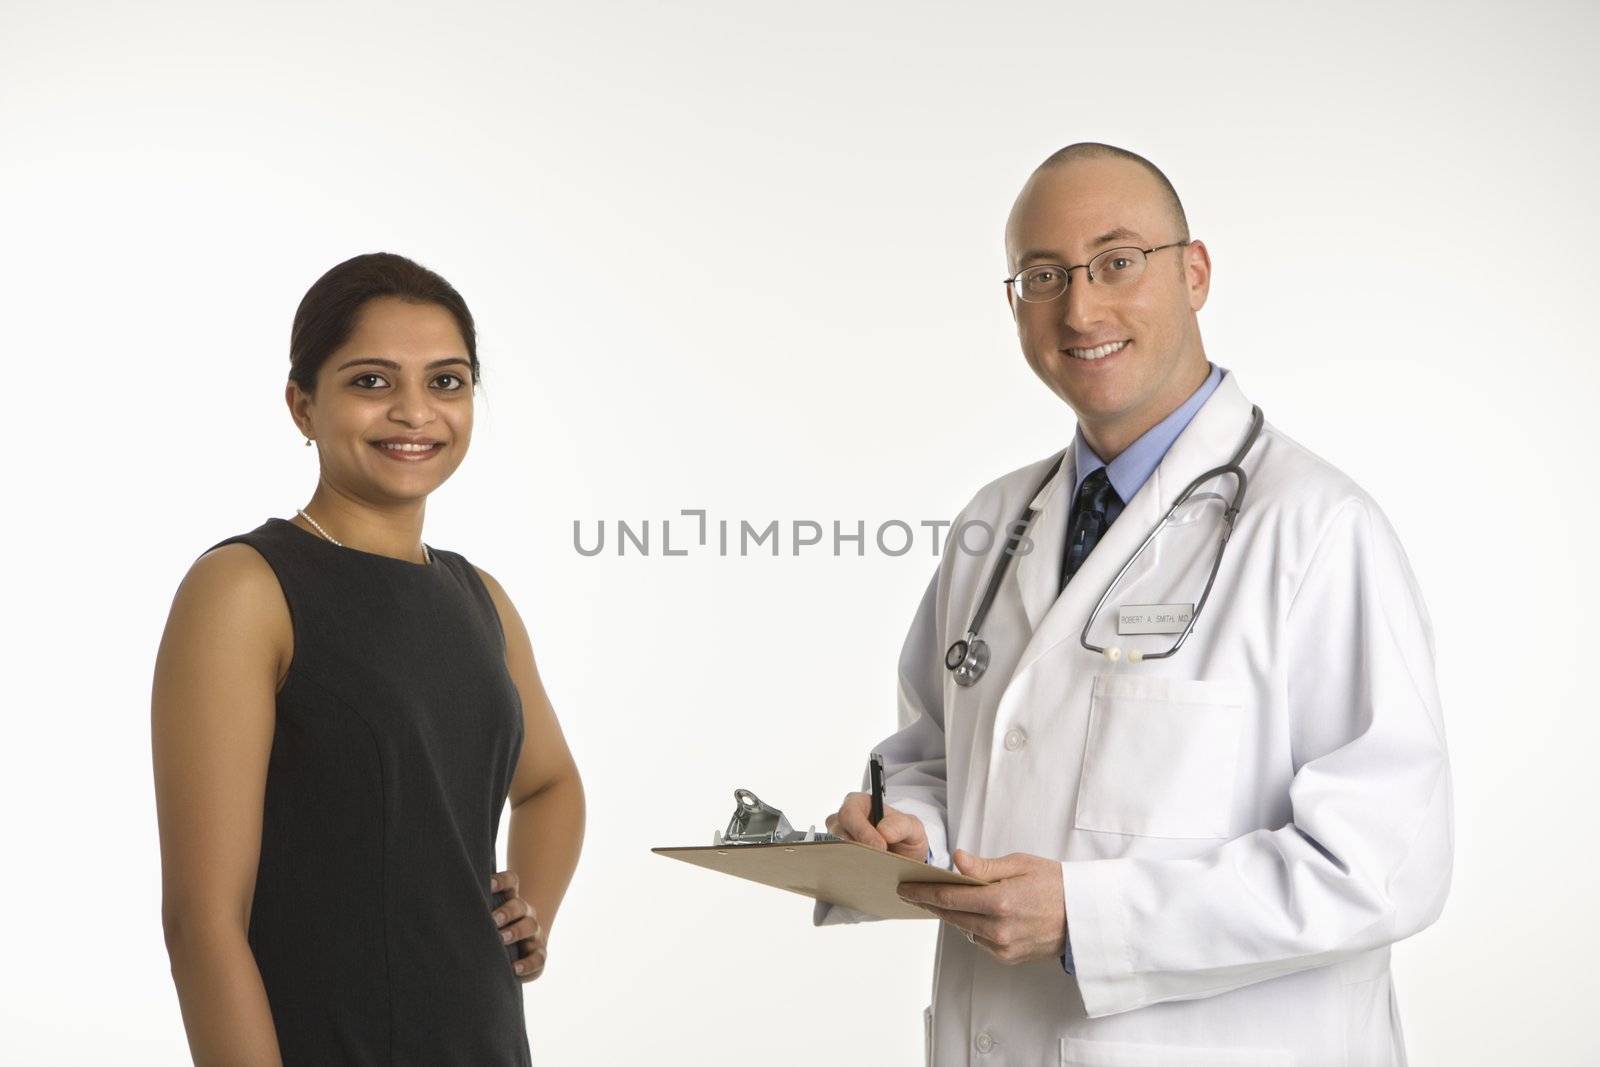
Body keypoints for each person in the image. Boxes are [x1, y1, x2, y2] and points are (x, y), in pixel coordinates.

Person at [821, 144, 1452, 1066]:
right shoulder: (995, 522)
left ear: (1194, 273)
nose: (1080, 309)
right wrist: (913, 826)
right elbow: (940, 753)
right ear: (1014, 304)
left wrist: (1090, 915)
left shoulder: (1317, 529)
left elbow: (1382, 867)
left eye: (1117, 262)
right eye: (1043, 276)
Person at [152, 253, 585, 1065]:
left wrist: (531, 912)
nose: (415, 412)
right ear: (302, 404)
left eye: (447, 382)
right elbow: (202, 923)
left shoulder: (479, 597)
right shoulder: (246, 588)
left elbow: (552, 783)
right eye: (373, 382)